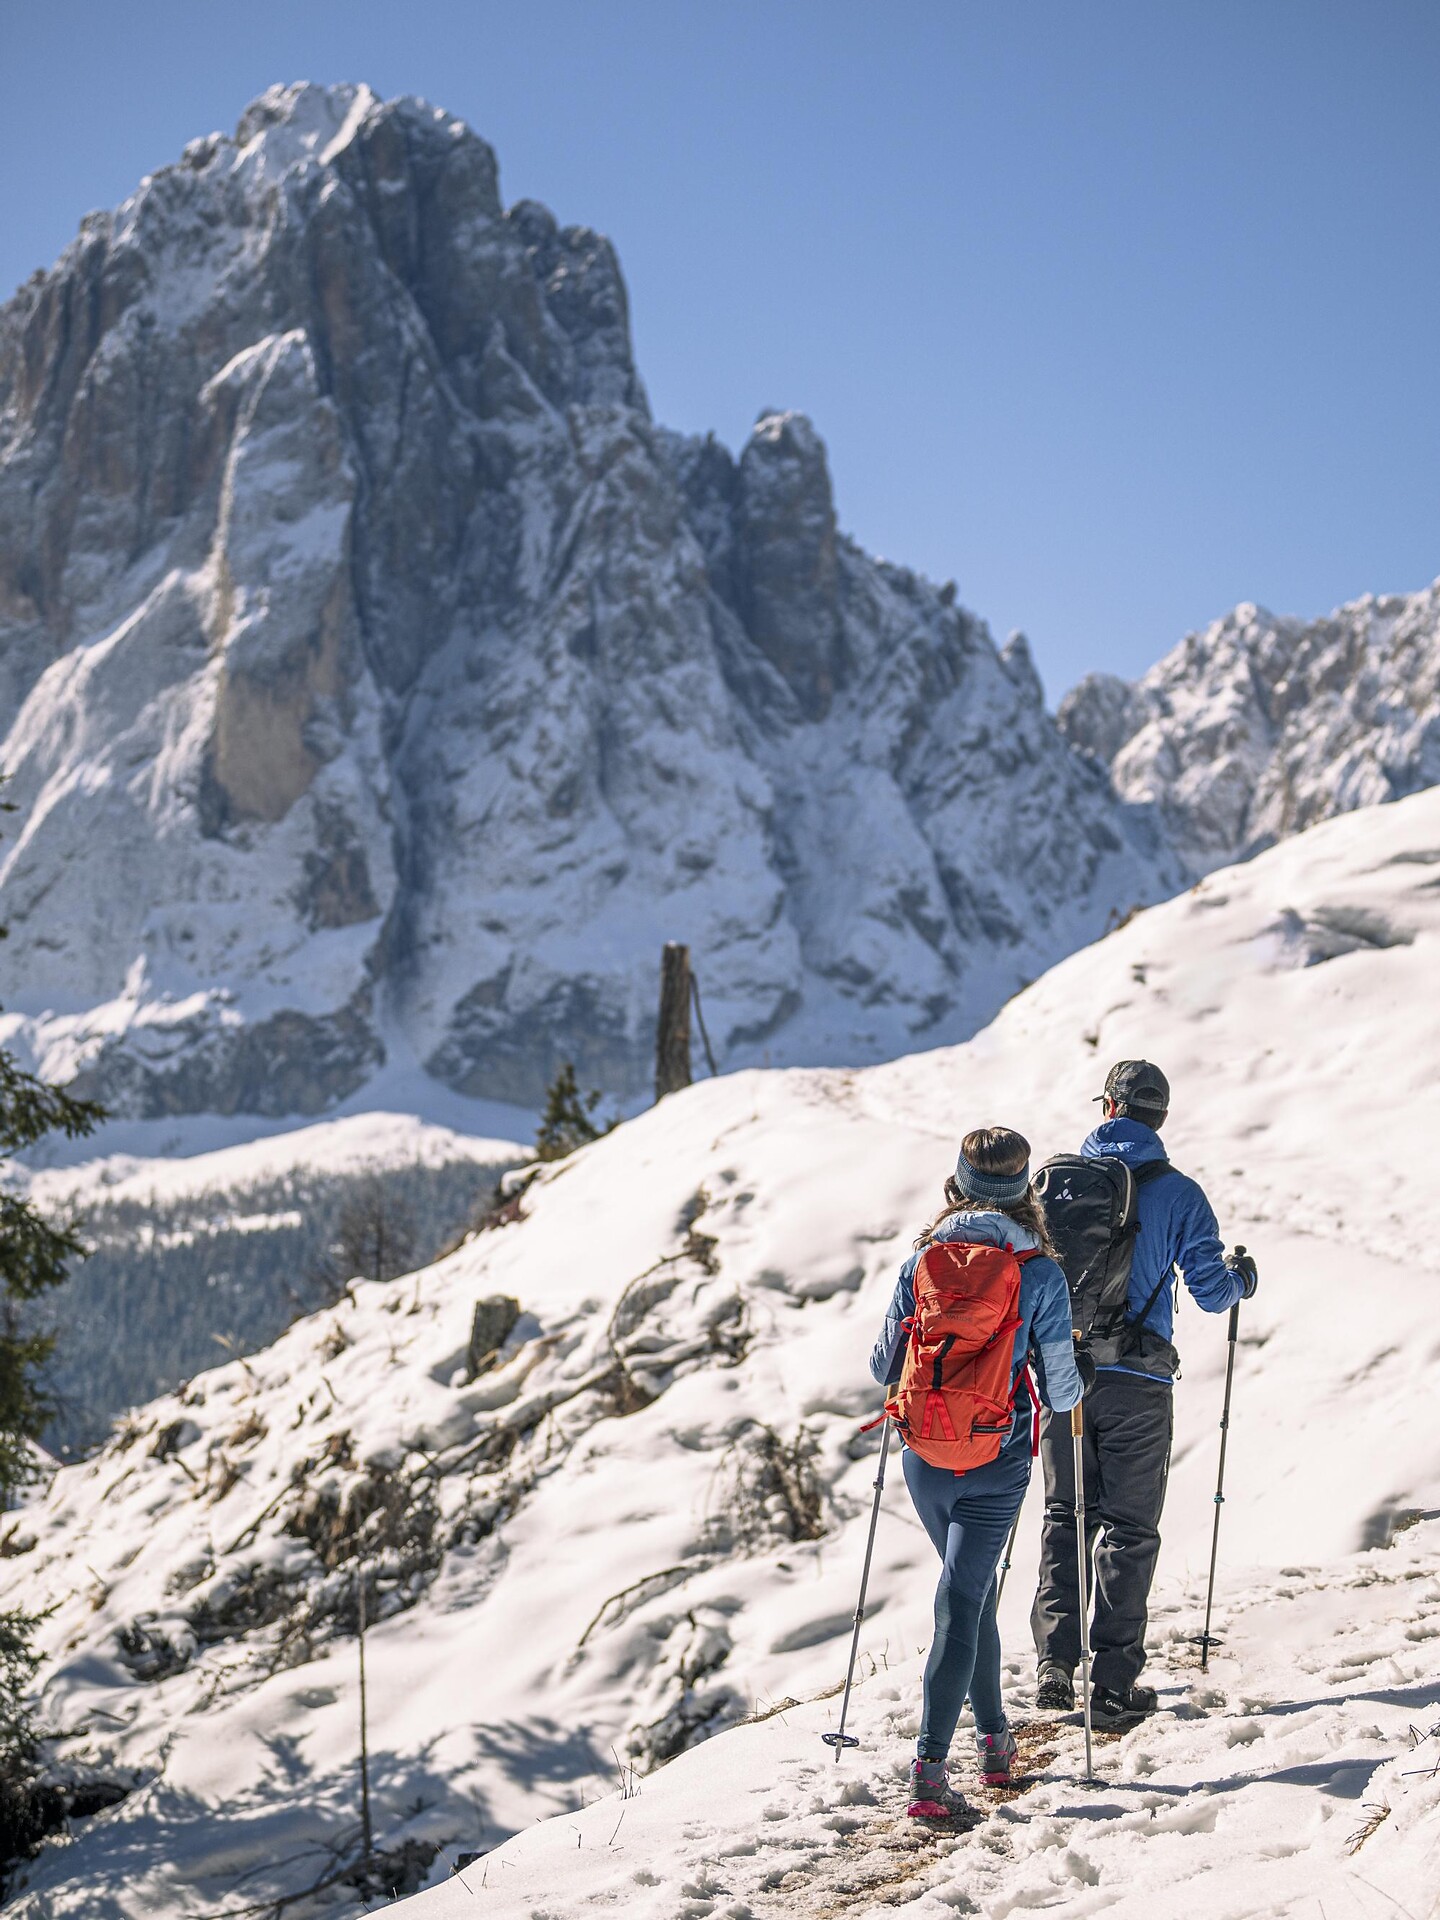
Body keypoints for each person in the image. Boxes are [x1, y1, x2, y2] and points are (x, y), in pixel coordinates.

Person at [1030, 1060, 1258, 1729]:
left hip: (1065, 1377)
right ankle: (1113, 1684)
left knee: (1065, 1515)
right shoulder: (1180, 1193)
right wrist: (1241, 1278)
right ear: (1161, 1118)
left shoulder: (1054, 1185)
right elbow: (1212, 1294)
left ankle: (1053, 1664)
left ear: (1107, 1108)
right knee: (1129, 1530)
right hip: (1139, 1382)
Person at [870, 1127, 1086, 1821]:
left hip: (926, 1458)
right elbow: (1061, 1394)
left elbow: (881, 1366)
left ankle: (995, 1742)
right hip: (996, 1457)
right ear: (1025, 1192)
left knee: (971, 1590)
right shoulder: (1039, 1273)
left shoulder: (922, 1262)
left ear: (957, 1185)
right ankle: (930, 1770)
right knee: (965, 1597)